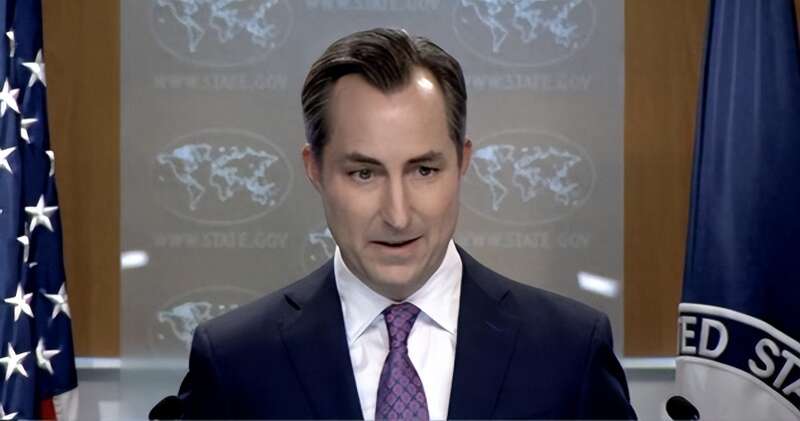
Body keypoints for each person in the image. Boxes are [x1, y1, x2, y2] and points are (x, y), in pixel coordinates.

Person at [170, 28, 636, 420]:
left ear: (463, 162)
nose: (397, 215)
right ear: (315, 170)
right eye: (364, 173)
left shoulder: (570, 352)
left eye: (424, 170)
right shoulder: (235, 361)